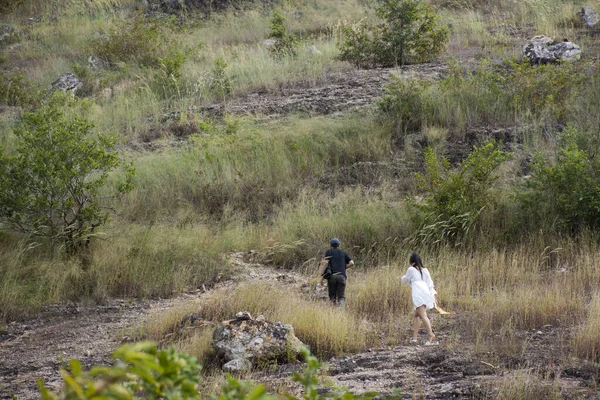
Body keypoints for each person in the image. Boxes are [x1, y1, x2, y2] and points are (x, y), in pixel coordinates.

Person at [401, 253, 438, 345]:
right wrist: (433, 296)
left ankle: (431, 335)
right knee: (417, 315)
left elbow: (405, 280)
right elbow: (430, 284)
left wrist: (402, 277)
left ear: (411, 261)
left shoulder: (411, 269)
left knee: (423, 316)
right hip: (426, 294)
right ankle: (414, 338)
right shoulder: (425, 270)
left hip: (418, 295)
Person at [320, 238, 354, 307]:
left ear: (330, 245)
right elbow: (352, 263)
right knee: (341, 297)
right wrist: (343, 268)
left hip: (332, 277)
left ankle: (333, 312)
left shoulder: (329, 252)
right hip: (342, 276)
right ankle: (340, 312)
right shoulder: (343, 253)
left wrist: (322, 275)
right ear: (339, 245)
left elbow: (326, 263)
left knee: (332, 297)